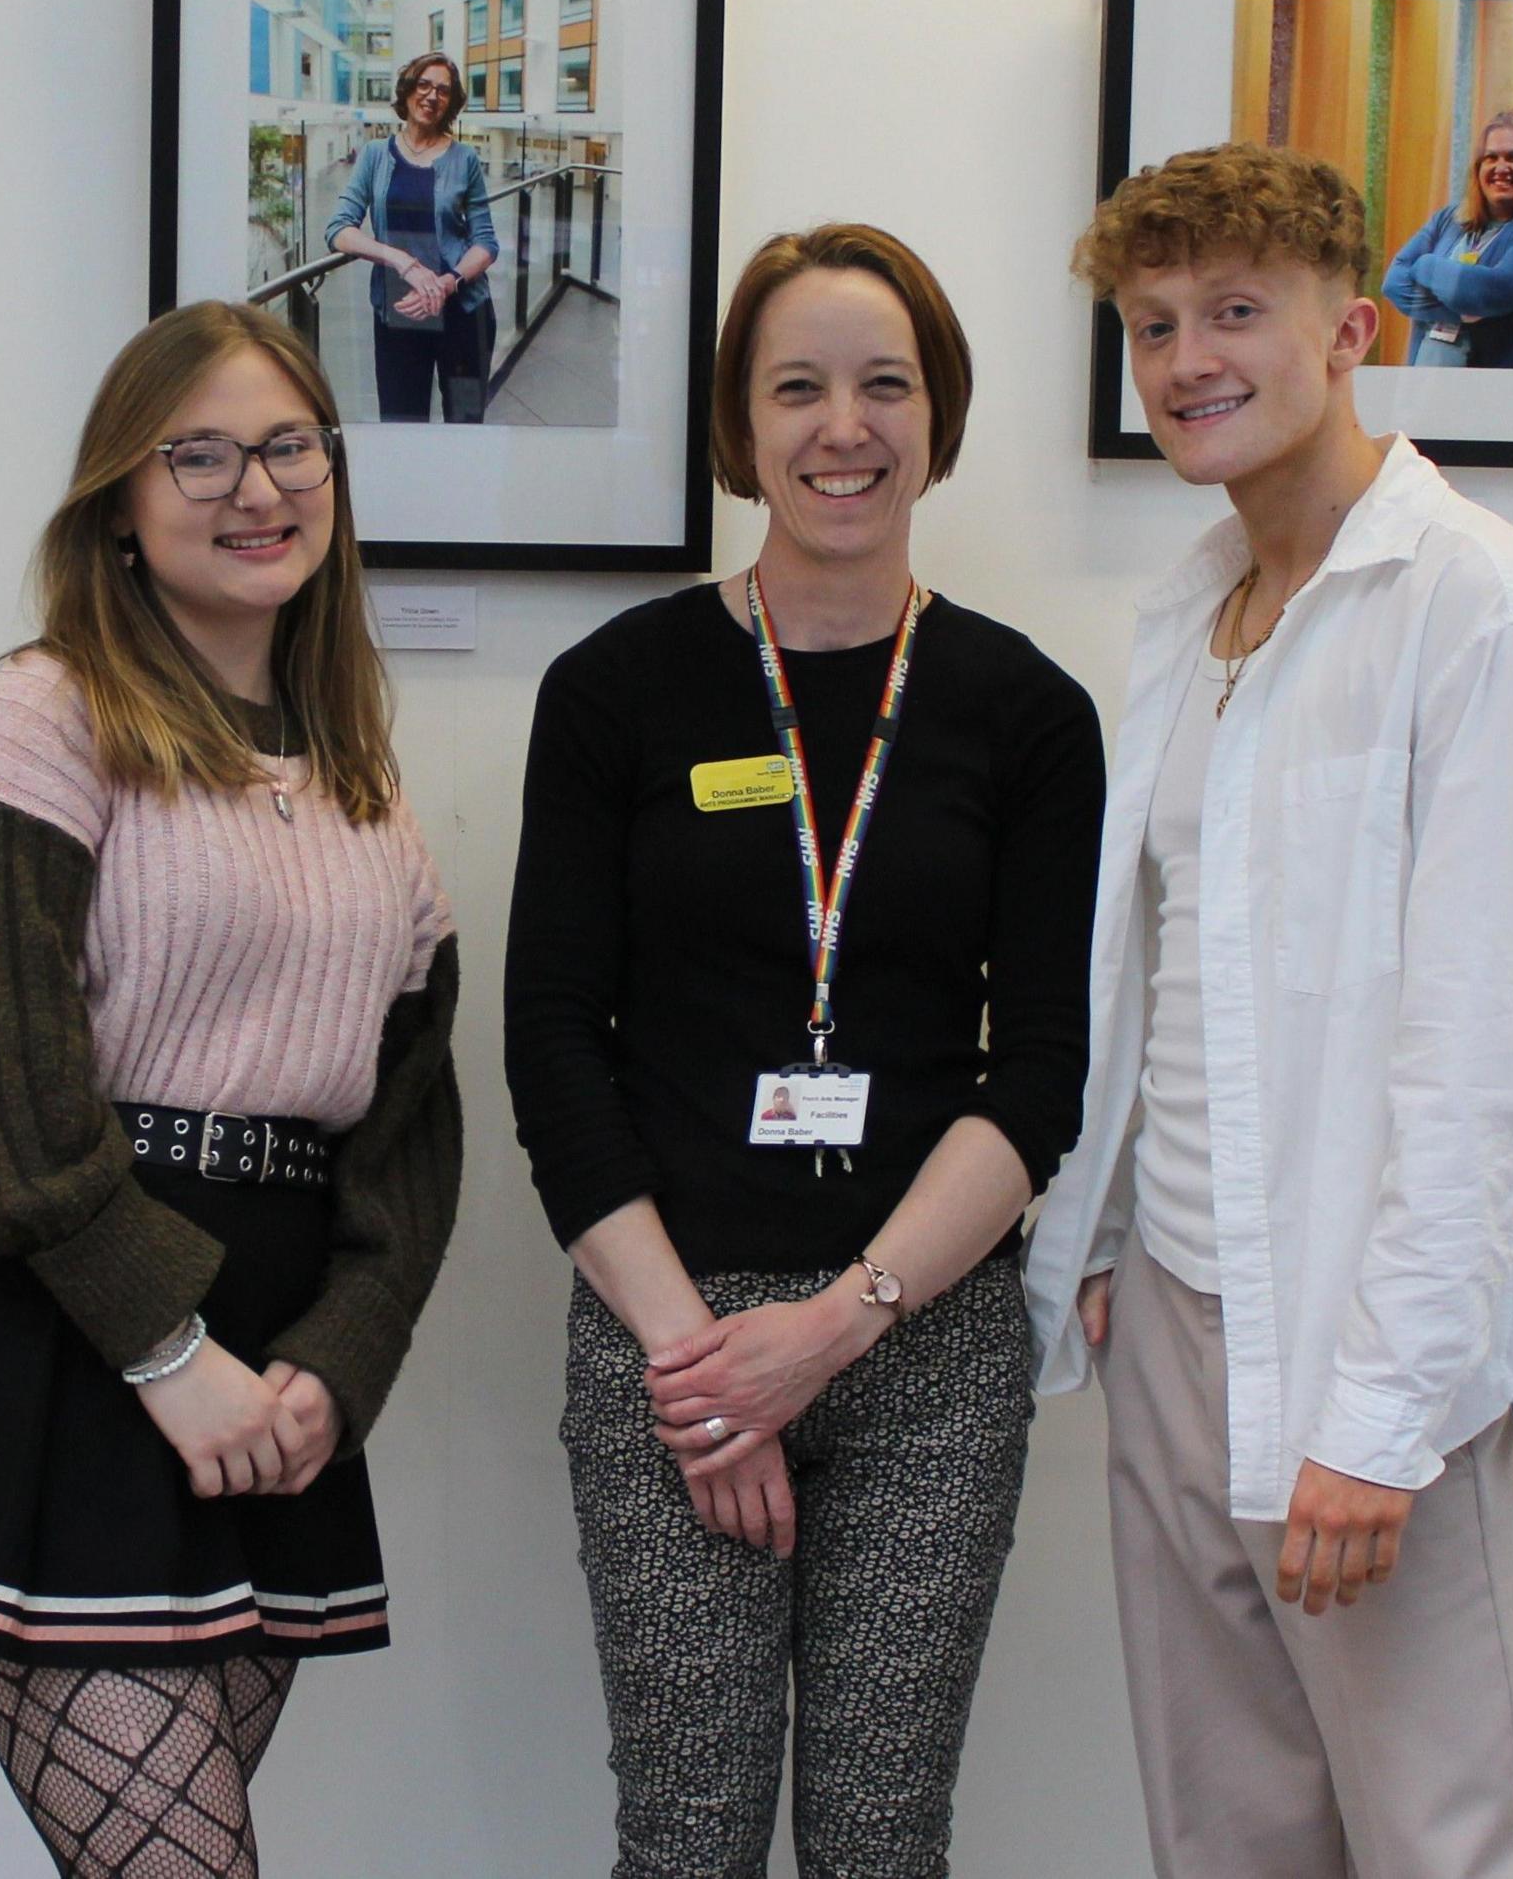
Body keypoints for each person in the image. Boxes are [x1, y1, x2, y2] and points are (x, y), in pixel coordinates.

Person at [1032, 141, 1513, 1879]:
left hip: (1362, 1331)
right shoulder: (1193, 611)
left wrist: (1381, 1414)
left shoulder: (1490, 617)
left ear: (1351, 328)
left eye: (1236, 310)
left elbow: (1489, 1058)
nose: (1186, 360)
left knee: (1464, 1830)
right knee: (1228, 1825)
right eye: (1152, 325)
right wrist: (1093, 1244)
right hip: (1169, 1299)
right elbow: (1160, 964)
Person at [0, 301, 466, 1879]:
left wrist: (341, 1355)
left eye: (291, 444)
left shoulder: (360, 772)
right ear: (119, 500)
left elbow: (409, 1116)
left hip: (278, 1385)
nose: (258, 485)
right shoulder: (45, 711)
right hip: (71, 1350)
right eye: (202, 452)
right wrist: (169, 1346)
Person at [507, 223, 1105, 1876]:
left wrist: (837, 1324)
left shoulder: (1026, 711)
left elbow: (1038, 1068)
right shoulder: (618, 690)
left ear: (938, 413)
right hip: (669, 1340)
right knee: (689, 1835)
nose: (845, 425)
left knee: (879, 1838)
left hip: (922, 1339)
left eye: (885, 384)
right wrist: (709, 1358)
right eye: (799, 386)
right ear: (739, 424)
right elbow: (554, 1043)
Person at [324, 51, 502, 423]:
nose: (432, 96)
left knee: (466, 423)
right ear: (406, 92)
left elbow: (486, 242)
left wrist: (446, 283)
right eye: (424, 85)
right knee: (401, 427)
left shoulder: (464, 159)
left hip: (464, 315)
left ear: (451, 103)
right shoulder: (374, 155)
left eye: (443, 90)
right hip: (400, 314)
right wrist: (402, 261)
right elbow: (339, 229)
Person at [1381, 110, 1513, 369]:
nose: (1501, 167)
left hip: (1508, 396)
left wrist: (1426, 265)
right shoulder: (1448, 219)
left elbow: (1487, 292)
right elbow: (1394, 283)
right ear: (1478, 168)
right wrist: (1465, 312)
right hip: (1430, 390)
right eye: (1491, 157)